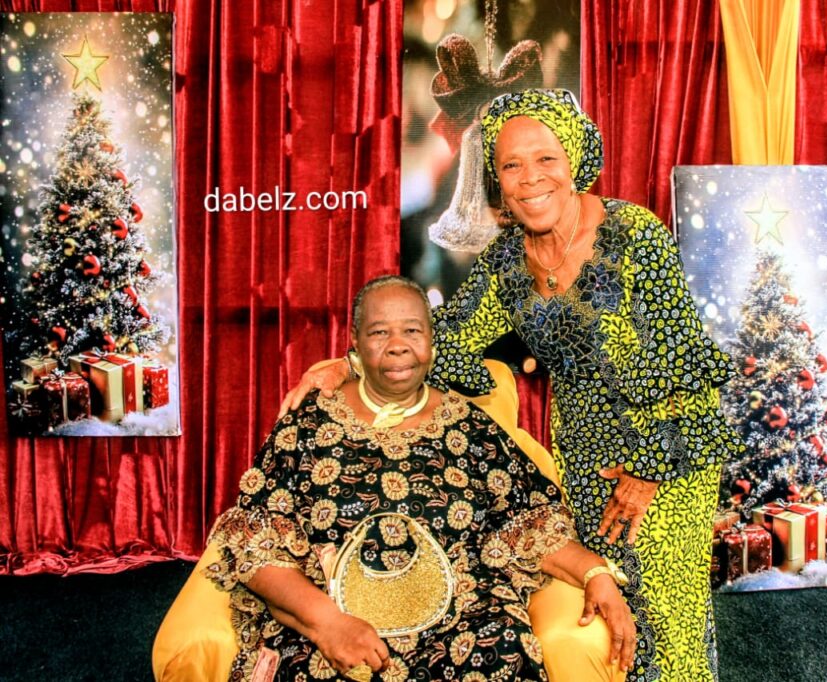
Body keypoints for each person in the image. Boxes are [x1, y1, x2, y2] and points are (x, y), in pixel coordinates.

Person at [282, 90, 742, 681]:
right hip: (583, 453)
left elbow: (684, 362)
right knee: (610, 607)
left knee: (665, 607)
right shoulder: (506, 259)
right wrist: (349, 363)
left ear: (574, 159)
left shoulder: (634, 234)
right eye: (511, 165)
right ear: (496, 179)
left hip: (666, 448)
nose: (530, 178)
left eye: (545, 159)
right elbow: (444, 335)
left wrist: (647, 472)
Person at [208, 275, 636, 681]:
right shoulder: (307, 425)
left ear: (431, 340)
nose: (398, 346)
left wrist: (595, 573)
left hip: (459, 617)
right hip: (333, 613)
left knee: (504, 648)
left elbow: (528, 523)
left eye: (412, 331)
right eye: (379, 333)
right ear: (354, 341)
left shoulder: (470, 427)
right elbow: (255, 543)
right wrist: (327, 623)